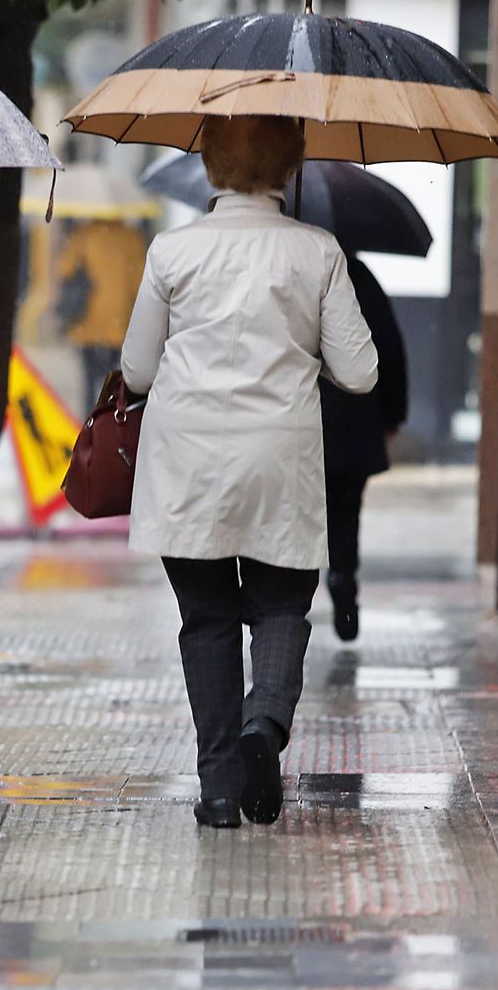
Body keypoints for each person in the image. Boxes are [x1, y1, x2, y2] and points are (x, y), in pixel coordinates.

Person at [121, 116, 378, 831]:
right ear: (290, 168)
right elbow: (359, 372)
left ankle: (219, 790)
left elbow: (137, 369)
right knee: (280, 606)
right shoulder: (316, 251)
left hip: (187, 461)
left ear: (208, 166)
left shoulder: (172, 251)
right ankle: (262, 726)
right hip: (280, 457)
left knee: (205, 619)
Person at [320, 256, 409, 641]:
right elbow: (389, 348)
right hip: (354, 419)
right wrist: (392, 416)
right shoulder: (358, 277)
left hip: (301, 418)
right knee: (345, 510)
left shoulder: (288, 267)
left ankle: (288, 605)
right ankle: (343, 578)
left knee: (296, 513)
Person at [53, 218, 147, 411]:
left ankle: (89, 419)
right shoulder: (131, 238)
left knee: (88, 376)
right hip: (118, 319)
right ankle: (109, 416)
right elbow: (139, 282)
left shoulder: (83, 234)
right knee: (112, 375)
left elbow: (64, 269)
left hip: (89, 318)